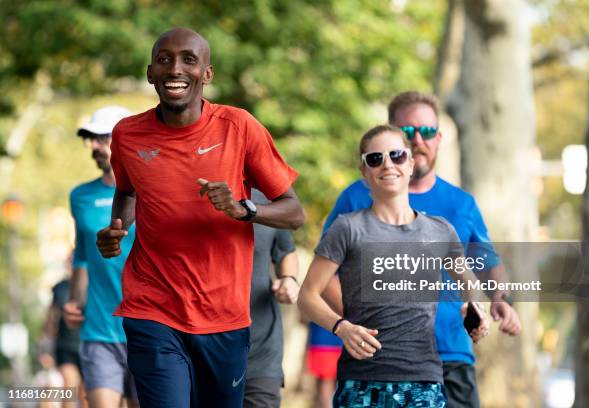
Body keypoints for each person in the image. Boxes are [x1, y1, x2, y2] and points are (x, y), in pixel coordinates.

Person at [95, 27, 304, 408]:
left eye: (189, 60)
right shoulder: (127, 134)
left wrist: (244, 209)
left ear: (206, 74)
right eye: (164, 60)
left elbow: (294, 211)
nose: (175, 69)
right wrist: (117, 229)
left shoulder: (239, 126)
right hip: (152, 306)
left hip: (223, 315)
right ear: (150, 73)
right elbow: (126, 190)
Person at [321, 91, 522, 407]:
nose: (418, 139)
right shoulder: (356, 199)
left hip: (451, 354)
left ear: (439, 138)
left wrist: (499, 300)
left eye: (427, 131)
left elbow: (485, 262)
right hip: (379, 362)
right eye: (408, 133)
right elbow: (324, 275)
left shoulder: (461, 204)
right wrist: (353, 320)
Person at [298, 124, 490, 408]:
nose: (387, 164)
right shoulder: (347, 228)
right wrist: (342, 327)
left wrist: (472, 307)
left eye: (397, 155)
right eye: (375, 159)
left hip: (424, 383)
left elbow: (470, 283)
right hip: (360, 384)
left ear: (410, 164)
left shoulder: (440, 231)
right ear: (364, 172)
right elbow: (307, 296)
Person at [63, 105, 138, 408]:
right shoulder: (79, 196)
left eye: (102, 138)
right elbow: (82, 254)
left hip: (148, 328)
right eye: (91, 139)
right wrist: (74, 301)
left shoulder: (152, 190)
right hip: (99, 329)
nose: (95, 146)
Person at [244, 189, 300, 408]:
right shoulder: (190, 192)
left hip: (261, 351)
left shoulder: (267, 198)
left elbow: (286, 250)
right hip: (201, 347)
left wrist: (289, 279)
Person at [40, 274, 83, 407]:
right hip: (66, 345)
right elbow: (51, 318)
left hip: (89, 344)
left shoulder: (94, 282)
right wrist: (44, 349)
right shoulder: (60, 288)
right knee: (70, 386)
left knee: (86, 394)